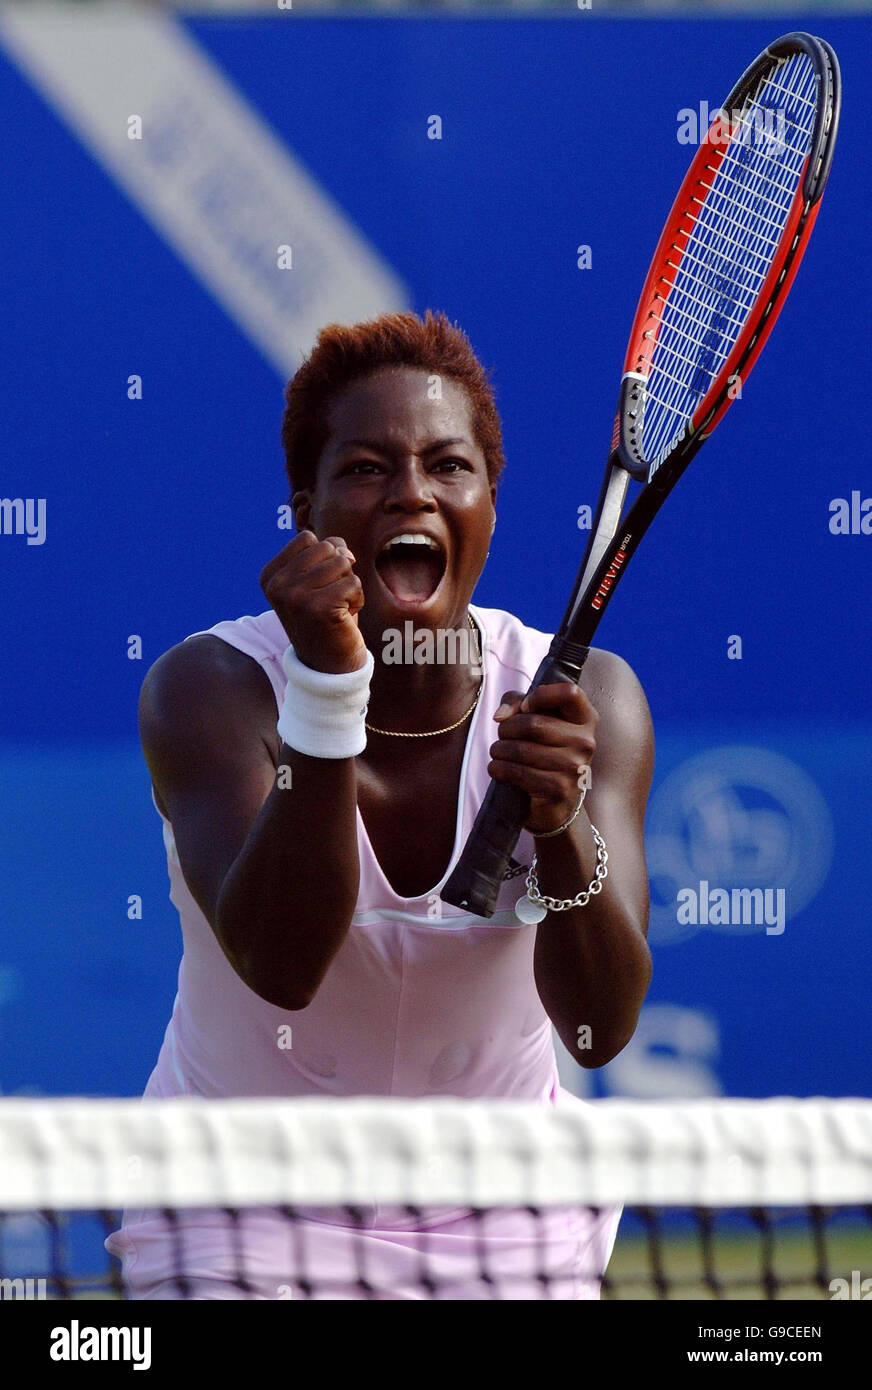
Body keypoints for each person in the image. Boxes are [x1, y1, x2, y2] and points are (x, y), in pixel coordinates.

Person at [106, 309, 654, 1299]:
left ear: (488, 505)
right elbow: (281, 962)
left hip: (507, 1229)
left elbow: (594, 1032)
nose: (412, 491)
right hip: (240, 1221)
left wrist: (560, 823)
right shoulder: (209, 690)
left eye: (449, 467)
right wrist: (326, 685)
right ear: (303, 510)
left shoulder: (588, 699)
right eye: (364, 468)